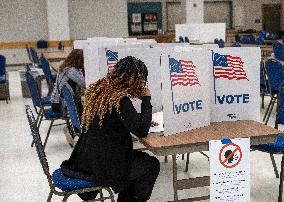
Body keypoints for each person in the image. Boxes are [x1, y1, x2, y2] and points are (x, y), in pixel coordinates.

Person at [61, 56, 160, 202]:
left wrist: (138, 120)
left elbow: (116, 119)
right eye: (140, 80)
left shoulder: (100, 89)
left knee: (139, 163)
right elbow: (141, 131)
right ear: (131, 78)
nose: (141, 85)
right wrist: (146, 98)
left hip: (89, 159)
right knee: (151, 165)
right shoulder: (120, 99)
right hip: (105, 166)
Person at [50, 49, 85, 145]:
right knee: (80, 107)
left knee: (81, 105)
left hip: (57, 101)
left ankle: (70, 129)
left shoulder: (66, 66)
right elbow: (84, 83)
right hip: (59, 104)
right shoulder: (71, 70)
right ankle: (73, 130)